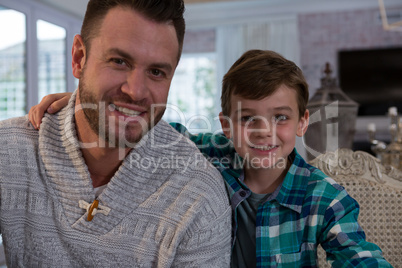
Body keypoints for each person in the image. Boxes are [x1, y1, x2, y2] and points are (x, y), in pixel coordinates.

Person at [29, 50, 392, 267]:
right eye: (248, 118)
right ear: (226, 126)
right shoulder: (211, 157)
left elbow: (360, 258)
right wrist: (87, 106)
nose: (264, 132)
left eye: (280, 117)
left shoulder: (325, 198)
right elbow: (148, 128)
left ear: (302, 122)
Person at [0, 0, 232, 267]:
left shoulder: (198, 195)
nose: (136, 91)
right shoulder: (8, 152)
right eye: (119, 61)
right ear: (79, 58)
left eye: (156, 72)